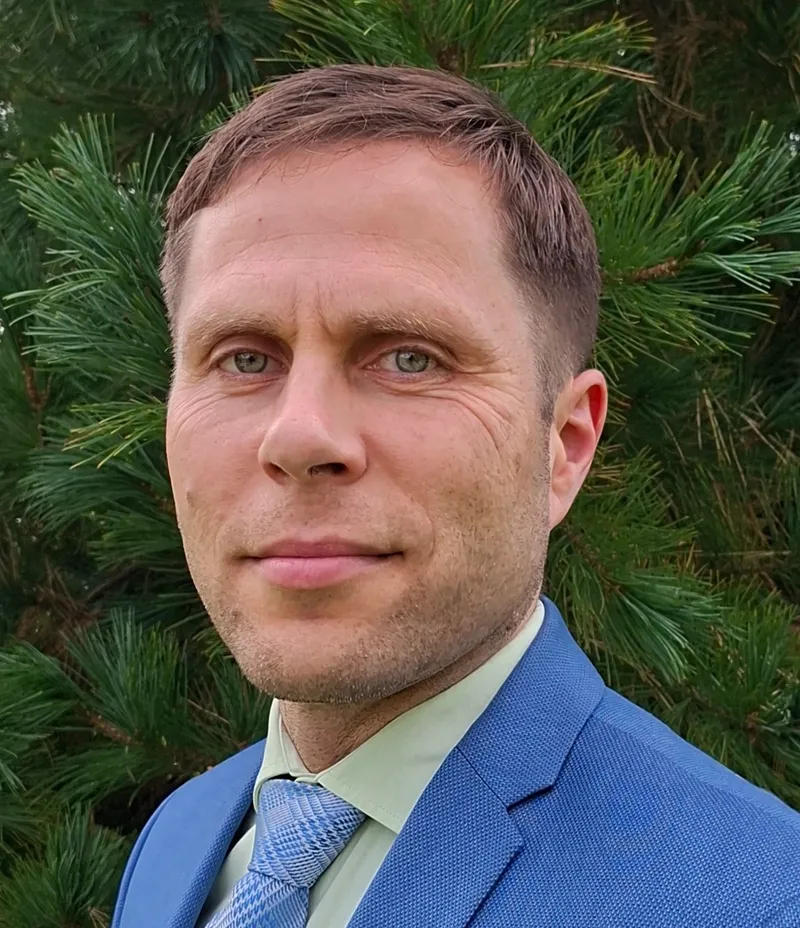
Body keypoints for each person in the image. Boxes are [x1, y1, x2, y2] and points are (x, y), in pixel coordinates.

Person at [111, 63, 800, 928]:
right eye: (244, 359)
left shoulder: (757, 899)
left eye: (409, 358)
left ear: (564, 446)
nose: (299, 436)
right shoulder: (179, 838)